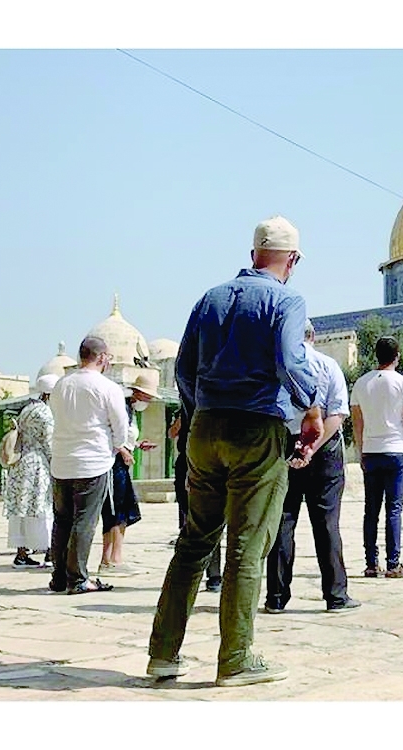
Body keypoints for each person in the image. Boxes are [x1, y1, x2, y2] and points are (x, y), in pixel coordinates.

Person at [147, 215, 323, 688]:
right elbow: (290, 361)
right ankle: (236, 657)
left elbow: (183, 369)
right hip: (256, 427)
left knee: (194, 540)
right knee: (246, 546)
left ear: (252, 255)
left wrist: (196, 413)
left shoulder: (212, 297)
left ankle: (163, 653)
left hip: (204, 430)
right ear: (294, 259)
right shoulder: (288, 300)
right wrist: (311, 405)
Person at [265, 319, 358, 614]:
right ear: (313, 336)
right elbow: (337, 413)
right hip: (325, 449)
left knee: (282, 521)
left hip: (284, 445)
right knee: (327, 523)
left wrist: (297, 447)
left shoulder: (276, 368)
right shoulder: (328, 365)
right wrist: (312, 447)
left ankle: (276, 597)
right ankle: (336, 596)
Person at [49, 336, 129, 594]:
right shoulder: (107, 387)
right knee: (84, 520)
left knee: (61, 520)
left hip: (61, 461)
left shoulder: (61, 385)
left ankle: (59, 576)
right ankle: (78, 578)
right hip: (92, 463)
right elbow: (120, 429)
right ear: (102, 357)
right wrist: (116, 446)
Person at [351, 335, 403, 579]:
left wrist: (361, 451)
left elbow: (357, 424)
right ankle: (393, 563)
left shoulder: (361, 384)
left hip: (371, 450)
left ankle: (371, 562)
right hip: (396, 450)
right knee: (394, 509)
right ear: (397, 357)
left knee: (371, 510)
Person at [98, 373, 160, 576]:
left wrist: (137, 445)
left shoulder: (131, 411)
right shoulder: (121, 408)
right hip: (114, 464)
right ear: (139, 393)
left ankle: (115, 557)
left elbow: (125, 437)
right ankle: (108, 560)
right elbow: (110, 434)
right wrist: (123, 450)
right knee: (115, 511)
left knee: (124, 511)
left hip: (122, 464)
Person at [3, 374, 58, 567]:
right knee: (42, 507)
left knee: (22, 509)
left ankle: (22, 554)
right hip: (37, 465)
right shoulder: (45, 413)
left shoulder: (26, 410)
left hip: (20, 464)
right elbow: (49, 443)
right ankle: (50, 552)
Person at [170, 406, 224, 592]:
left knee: (201, 521)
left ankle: (204, 575)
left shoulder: (191, 403)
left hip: (195, 459)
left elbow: (174, 432)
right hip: (201, 458)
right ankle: (213, 575)